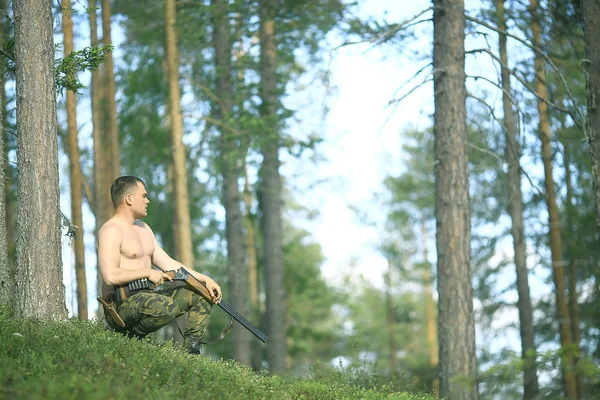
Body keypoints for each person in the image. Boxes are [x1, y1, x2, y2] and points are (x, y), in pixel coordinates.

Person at [98, 175, 222, 353]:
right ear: (129, 199)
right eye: (144, 196)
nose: (147, 201)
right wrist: (147, 273)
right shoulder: (111, 230)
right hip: (121, 306)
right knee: (167, 306)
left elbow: (169, 264)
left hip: (150, 298)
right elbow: (110, 276)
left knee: (201, 295)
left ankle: (191, 355)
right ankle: (129, 339)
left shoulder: (144, 229)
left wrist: (204, 279)